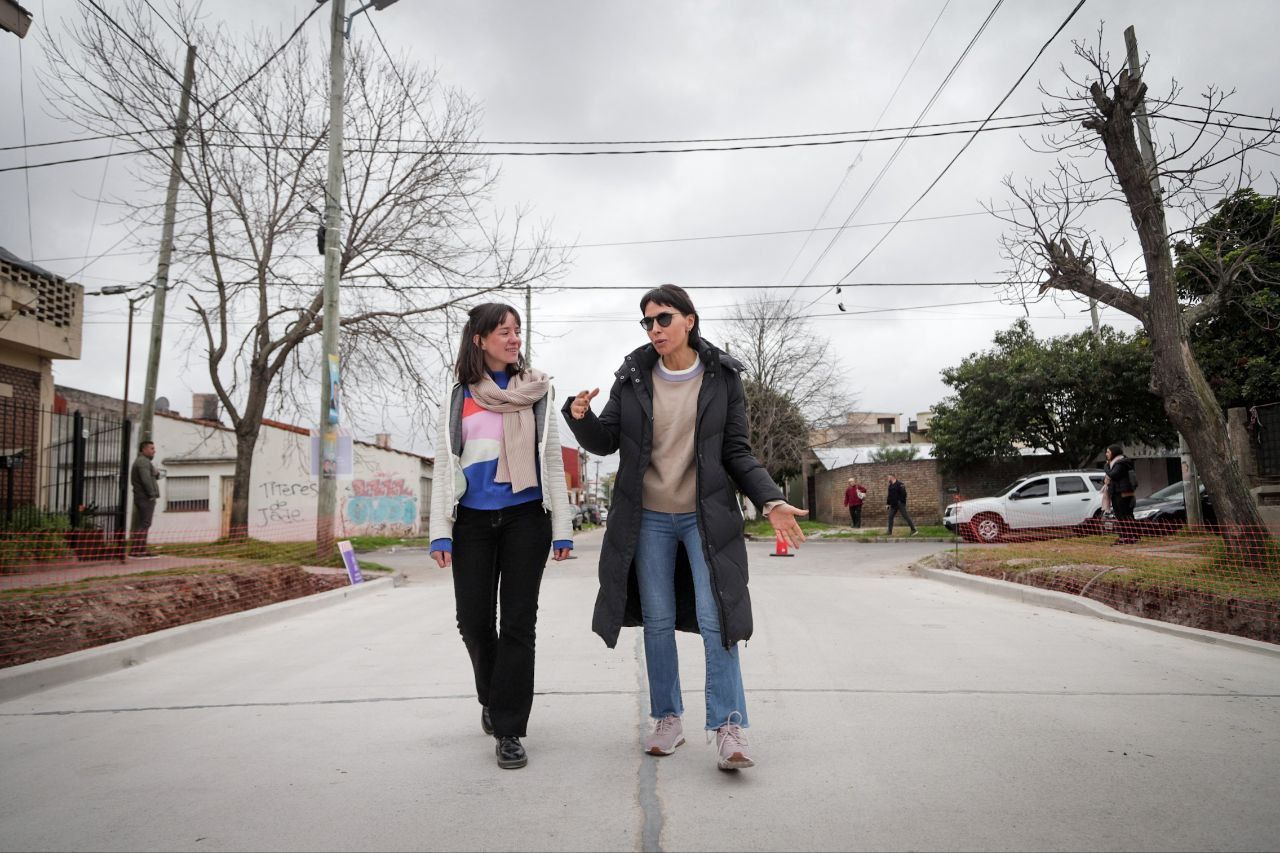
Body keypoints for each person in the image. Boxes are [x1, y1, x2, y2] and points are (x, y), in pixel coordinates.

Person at [564, 284, 808, 772]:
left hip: (706, 517)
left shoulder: (722, 377)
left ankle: (728, 727)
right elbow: (606, 442)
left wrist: (771, 498)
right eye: (648, 322)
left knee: (717, 616)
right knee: (656, 620)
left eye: (664, 319)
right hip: (648, 517)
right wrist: (580, 417)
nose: (655, 329)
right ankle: (667, 719)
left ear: (689, 321)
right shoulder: (632, 376)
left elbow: (737, 451)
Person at [428, 303, 574, 771]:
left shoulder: (538, 392)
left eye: (516, 331)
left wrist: (562, 528)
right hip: (471, 521)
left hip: (525, 518)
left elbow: (551, 461)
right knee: (472, 622)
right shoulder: (459, 396)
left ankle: (509, 728)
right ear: (480, 340)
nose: (513, 338)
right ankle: (492, 696)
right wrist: (440, 533)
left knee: (517, 624)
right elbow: (445, 464)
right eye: (503, 332)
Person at [129, 440, 161, 557]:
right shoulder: (143, 462)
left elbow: (150, 476)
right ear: (144, 449)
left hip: (142, 496)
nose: (154, 451)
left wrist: (156, 473)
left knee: (144, 523)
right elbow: (145, 480)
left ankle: (140, 549)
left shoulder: (145, 462)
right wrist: (152, 494)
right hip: (145, 497)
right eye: (152, 448)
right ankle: (137, 550)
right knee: (145, 523)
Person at [1104, 443, 1138, 545]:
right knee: (1120, 515)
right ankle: (1127, 536)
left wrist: (1106, 466)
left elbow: (1113, 474)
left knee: (1124, 515)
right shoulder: (1115, 463)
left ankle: (1128, 537)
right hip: (1117, 492)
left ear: (1114, 453)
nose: (1106, 454)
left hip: (1123, 493)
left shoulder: (1121, 463)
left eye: (1108, 452)